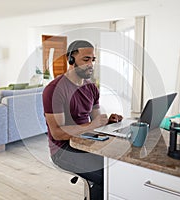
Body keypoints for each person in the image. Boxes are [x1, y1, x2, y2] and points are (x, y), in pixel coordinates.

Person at [42, 40, 122, 200]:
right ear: (71, 59)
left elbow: (95, 121)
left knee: (119, 166)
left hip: (86, 141)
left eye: (93, 60)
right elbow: (57, 133)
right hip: (63, 149)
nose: (91, 64)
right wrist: (92, 125)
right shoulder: (54, 90)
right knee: (106, 175)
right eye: (86, 59)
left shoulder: (91, 87)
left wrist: (108, 122)